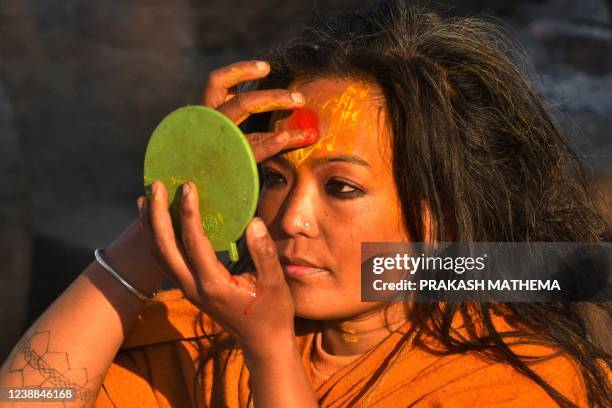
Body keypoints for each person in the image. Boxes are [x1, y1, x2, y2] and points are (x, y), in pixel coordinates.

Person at [1, 1, 610, 407]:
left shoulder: (512, 384)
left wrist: (268, 353)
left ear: (439, 217)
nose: (291, 218)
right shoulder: (200, 335)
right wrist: (160, 222)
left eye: (341, 188)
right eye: (273, 179)